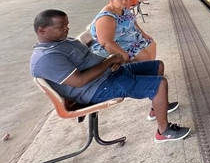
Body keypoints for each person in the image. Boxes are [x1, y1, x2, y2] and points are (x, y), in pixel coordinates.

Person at [30, 9, 189, 142]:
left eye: (67, 25)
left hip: (108, 73)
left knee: (157, 66)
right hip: (97, 88)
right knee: (159, 84)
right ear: (42, 30)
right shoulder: (46, 57)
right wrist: (110, 60)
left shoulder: (61, 41)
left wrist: (113, 62)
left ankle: (157, 109)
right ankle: (163, 132)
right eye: (61, 26)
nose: (66, 29)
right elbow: (80, 81)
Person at [90, 0, 156, 62]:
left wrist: (144, 34)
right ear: (112, 1)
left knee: (151, 43)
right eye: (120, 0)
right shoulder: (106, 17)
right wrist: (124, 56)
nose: (124, 2)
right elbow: (106, 42)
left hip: (129, 39)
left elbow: (133, 22)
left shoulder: (123, 9)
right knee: (145, 57)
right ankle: (144, 70)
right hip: (116, 44)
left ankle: (151, 69)